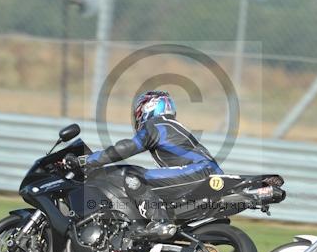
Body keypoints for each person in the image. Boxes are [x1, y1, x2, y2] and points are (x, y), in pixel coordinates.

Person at [75, 90, 223, 240]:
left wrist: (87, 160)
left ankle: (160, 222)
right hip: (206, 171)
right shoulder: (170, 124)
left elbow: (127, 147)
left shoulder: (156, 124)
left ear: (148, 108)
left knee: (132, 176)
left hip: (199, 171)